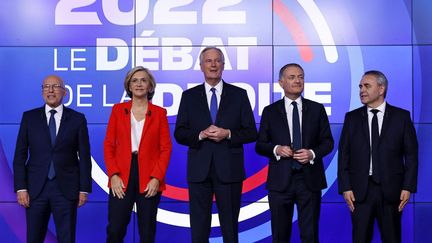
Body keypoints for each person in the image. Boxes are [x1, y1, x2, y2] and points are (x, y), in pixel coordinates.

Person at [174, 46, 257, 243]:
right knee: (199, 229)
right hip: (199, 171)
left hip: (229, 170)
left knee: (230, 228)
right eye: (209, 61)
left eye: (217, 60)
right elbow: (180, 133)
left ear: (223, 65)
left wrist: (227, 133)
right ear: (201, 66)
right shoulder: (189, 96)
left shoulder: (239, 94)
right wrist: (201, 135)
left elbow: (251, 132)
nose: (213, 64)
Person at [255, 63, 334, 243]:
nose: (297, 80)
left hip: (309, 180)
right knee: (280, 235)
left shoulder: (317, 109)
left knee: (310, 235)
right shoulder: (270, 111)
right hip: (280, 180)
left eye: (300, 77)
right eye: (292, 77)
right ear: (281, 82)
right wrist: (276, 149)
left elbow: (328, 142)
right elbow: (260, 145)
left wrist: (312, 154)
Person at [338, 70, 418, 243]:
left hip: (392, 191)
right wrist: (345, 187)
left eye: (367, 86)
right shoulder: (351, 118)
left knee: (392, 239)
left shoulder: (401, 117)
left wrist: (408, 187)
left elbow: (411, 155)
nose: (361, 90)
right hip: (359, 192)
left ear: (381, 89)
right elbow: (344, 155)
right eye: (360, 86)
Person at [13, 75, 92, 243]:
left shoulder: (77, 119)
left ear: (64, 91)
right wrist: (21, 188)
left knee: (67, 238)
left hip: (66, 189)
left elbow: (85, 157)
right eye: (46, 87)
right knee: (33, 238)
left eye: (55, 86)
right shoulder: (29, 118)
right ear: (42, 91)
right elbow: (19, 155)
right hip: (35, 190)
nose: (50, 90)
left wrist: (84, 189)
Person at [104, 66, 172, 243]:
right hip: (122, 175)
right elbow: (109, 145)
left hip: (149, 176)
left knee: (147, 231)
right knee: (115, 229)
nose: (139, 84)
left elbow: (165, 148)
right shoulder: (118, 110)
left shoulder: (159, 113)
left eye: (143, 80)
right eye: (135, 80)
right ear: (129, 85)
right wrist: (113, 175)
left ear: (150, 86)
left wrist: (156, 178)